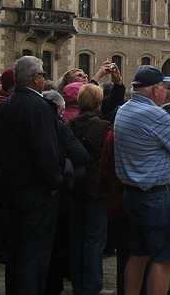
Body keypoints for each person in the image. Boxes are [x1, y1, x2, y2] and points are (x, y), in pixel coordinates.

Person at [114, 67, 170, 295]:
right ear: (155, 89)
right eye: (164, 86)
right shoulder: (155, 114)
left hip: (134, 194)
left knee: (138, 255)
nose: (166, 90)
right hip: (158, 196)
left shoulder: (124, 109)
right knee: (163, 258)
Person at [0, 55, 66, 294]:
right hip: (36, 191)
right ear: (36, 79)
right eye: (43, 75)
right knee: (33, 254)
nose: (44, 79)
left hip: (12, 188)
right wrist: (54, 181)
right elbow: (45, 150)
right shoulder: (38, 107)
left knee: (16, 250)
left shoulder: (7, 104)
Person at [68, 83, 112, 295]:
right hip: (95, 188)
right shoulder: (103, 127)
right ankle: (93, 286)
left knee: (77, 237)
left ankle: (79, 284)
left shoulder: (70, 124)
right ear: (98, 103)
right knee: (94, 239)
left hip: (75, 187)